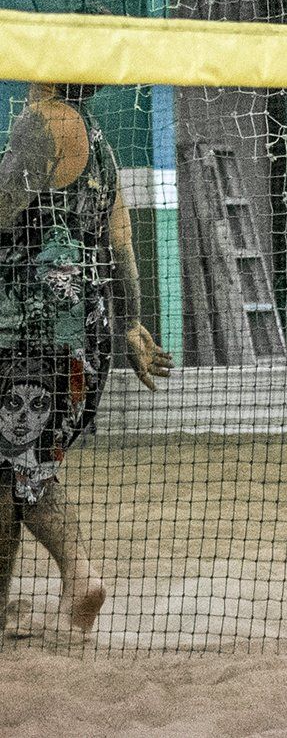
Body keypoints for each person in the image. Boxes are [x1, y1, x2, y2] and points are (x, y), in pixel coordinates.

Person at [0, 81, 173, 636]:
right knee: (13, 466)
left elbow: (1, 212)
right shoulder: (99, 141)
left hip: (30, 328)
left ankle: (79, 576)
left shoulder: (43, 123)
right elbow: (120, 241)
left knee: (24, 466)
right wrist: (130, 324)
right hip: (84, 333)